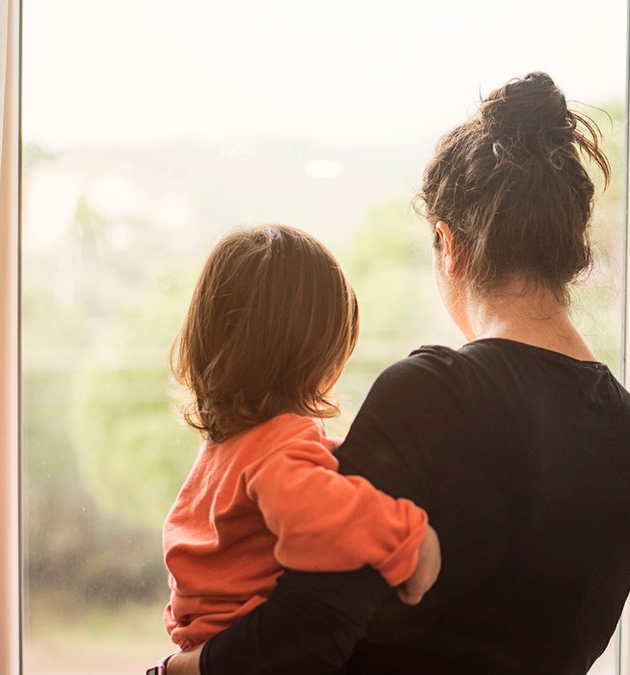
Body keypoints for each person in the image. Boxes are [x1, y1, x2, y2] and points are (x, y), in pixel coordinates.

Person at [163, 71, 630, 675]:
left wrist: (169, 670)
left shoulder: (435, 393)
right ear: (568, 247)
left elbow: (301, 641)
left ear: (449, 245)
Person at [154, 225, 442, 667]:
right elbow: (322, 518)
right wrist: (408, 536)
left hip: (203, 649)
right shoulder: (279, 448)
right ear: (317, 356)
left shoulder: (228, 445)